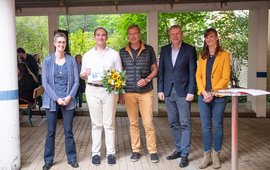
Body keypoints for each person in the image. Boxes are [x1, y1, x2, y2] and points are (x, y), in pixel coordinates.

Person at [80, 27, 122, 166]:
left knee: (109, 124)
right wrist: (83, 75)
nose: (100, 37)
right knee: (96, 124)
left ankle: (111, 153)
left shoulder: (114, 54)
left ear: (106, 37)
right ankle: (96, 153)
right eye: (98, 35)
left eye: (103, 35)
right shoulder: (87, 55)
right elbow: (82, 74)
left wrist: (118, 91)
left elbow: (120, 75)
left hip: (109, 91)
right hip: (92, 90)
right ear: (94, 37)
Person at [157, 25, 197, 167]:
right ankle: (179, 149)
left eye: (177, 33)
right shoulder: (165, 50)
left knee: (185, 123)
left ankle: (185, 154)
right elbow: (161, 71)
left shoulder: (190, 50)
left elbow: (193, 72)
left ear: (182, 34)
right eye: (172, 34)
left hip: (183, 92)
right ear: (170, 35)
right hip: (168, 92)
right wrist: (160, 89)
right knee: (173, 122)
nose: (175, 36)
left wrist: (192, 91)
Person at [119, 24, 159, 163]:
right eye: (130, 34)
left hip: (145, 92)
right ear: (128, 35)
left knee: (148, 123)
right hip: (129, 92)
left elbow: (155, 69)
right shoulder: (122, 52)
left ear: (140, 34)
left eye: (135, 33)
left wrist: (147, 79)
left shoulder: (149, 50)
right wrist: (120, 93)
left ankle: (152, 151)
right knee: (133, 123)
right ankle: (136, 150)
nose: (133, 36)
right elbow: (119, 74)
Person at [41, 32, 79, 170]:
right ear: (54, 43)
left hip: (68, 100)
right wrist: (57, 98)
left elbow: (76, 81)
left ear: (65, 44)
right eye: (59, 42)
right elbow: (45, 83)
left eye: (64, 42)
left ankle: (72, 158)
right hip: (52, 100)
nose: (61, 44)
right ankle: (48, 160)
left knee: (68, 131)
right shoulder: (47, 61)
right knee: (51, 131)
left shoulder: (71, 61)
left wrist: (69, 97)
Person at [196, 28, 230, 169]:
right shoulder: (202, 55)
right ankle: (206, 156)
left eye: (211, 36)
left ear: (216, 38)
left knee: (218, 125)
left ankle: (216, 156)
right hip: (203, 96)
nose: (209, 39)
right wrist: (204, 92)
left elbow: (225, 77)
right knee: (205, 127)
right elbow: (198, 76)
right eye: (206, 37)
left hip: (219, 97)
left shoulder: (224, 55)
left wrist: (212, 92)